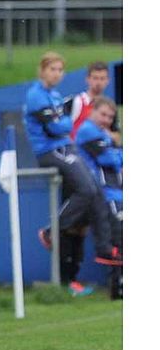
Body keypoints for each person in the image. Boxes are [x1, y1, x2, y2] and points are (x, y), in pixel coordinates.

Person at [25, 52, 121, 267]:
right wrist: (66, 124)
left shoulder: (57, 96)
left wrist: (64, 124)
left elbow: (114, 138)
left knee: (94, 194)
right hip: (57, 150)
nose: (57, 74)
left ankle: (104, 250)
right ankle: (53, 235)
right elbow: (57, 127)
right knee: (85, 197)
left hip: (68, 149)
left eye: (60, 70)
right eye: (53, 69)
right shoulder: (49, 97)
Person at [75, 97, 123, 299]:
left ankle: (119, 286)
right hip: (105, 194)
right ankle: (117, 288)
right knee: (118, 239)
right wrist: (114, 147)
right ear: (92, 111)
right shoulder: (88, 131)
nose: (106, 120)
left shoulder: (104, 134)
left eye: (110, 117)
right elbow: (109, 158)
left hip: (115, 192)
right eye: (103, 114)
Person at [65, 61, 121, 144]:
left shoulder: (110, 107)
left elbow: (117, 137)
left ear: (108, 81)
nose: (98, 82)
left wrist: (104, 133)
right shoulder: (74, 102)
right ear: (87, 79)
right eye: (95, 78)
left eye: (102, 78)